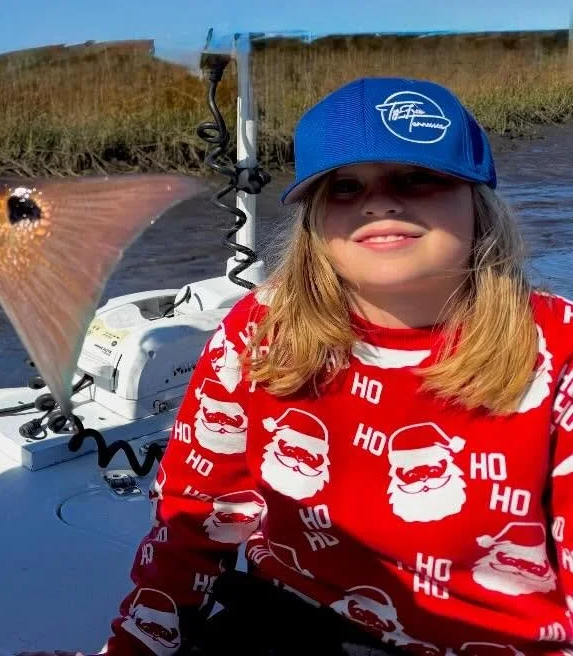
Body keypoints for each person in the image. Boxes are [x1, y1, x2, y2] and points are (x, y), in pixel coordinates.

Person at [29, 77, 573, 655]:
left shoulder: (557, 350)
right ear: (314, 221)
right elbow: (194, 522)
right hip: (288, 623)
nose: (380, 202)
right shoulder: (259, 332)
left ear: (475, 197)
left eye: (417, 178)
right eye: (343, 187)